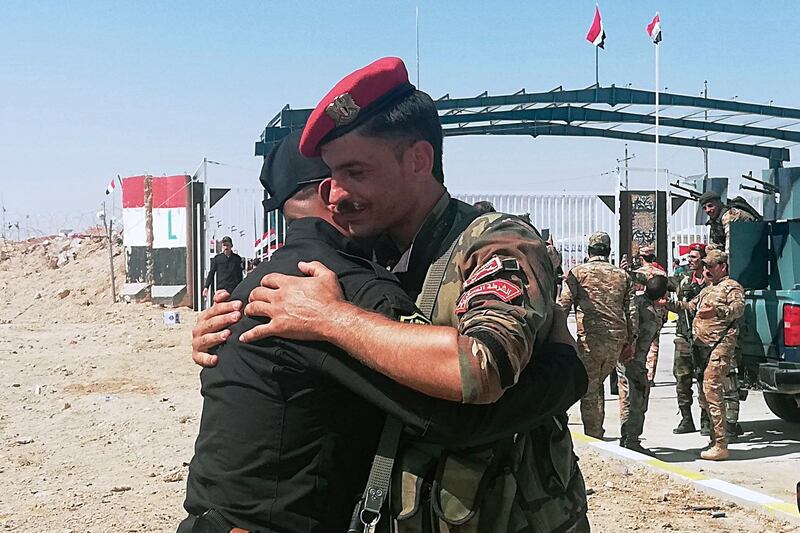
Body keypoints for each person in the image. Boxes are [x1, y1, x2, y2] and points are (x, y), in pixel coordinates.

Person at [227, 57, 589, 532]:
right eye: (332, 177)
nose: (335, 195)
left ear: (418, 159)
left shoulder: (494, 243)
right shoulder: (364, 255)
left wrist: (333, 319)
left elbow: (484, 364)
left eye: (355, 172)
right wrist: (226, 324)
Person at [558, 231, 638, 439]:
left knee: (590, 389)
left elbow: (563, 306)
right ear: (609, 251)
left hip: (590, 341)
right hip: (616, 341)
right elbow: (631, 311)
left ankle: (594, 436)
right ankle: (625, 433)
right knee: (606, 384)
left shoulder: (578, 273)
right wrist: (631, 342)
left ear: (589, 250)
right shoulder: (622, 275)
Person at [669, 250, 745, 461]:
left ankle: (721, 444)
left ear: (723, 266)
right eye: (706, 266)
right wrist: (667, 303)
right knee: (704, 393)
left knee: (712, 389)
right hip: (702, 347)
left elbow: (738, 310)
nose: (707, 270)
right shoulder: (708, 289)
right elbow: (690, 307)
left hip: (720, 346)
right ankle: (714, 439)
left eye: (712, 266)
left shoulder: (732, 287)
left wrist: (717, 312)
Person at [617, 275, 669, 455]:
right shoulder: (649, 311)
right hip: (635, 360)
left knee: (627, 398)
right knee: (638, 400)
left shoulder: (638, 302)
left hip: (626, 358)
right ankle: (631, 439)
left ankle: (626, 437)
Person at [671, 242, 708, 434]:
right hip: (684, 336)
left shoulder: (712, 282)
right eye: (689, 257)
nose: (690, 261)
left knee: (704, 379)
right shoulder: (683, 278)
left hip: (705, 337)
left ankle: (706, 420)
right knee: (682, 379)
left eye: (694, 257)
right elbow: (660, 280)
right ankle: (686, 419)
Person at [634, 246, 667, 387]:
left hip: (640, 311)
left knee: (637, 342)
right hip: (657, 311)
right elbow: (665, 295)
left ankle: (639, 369)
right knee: (654, 343)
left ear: (641, 258)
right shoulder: (661, 273)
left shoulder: (636, 274)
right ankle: (650, 375)